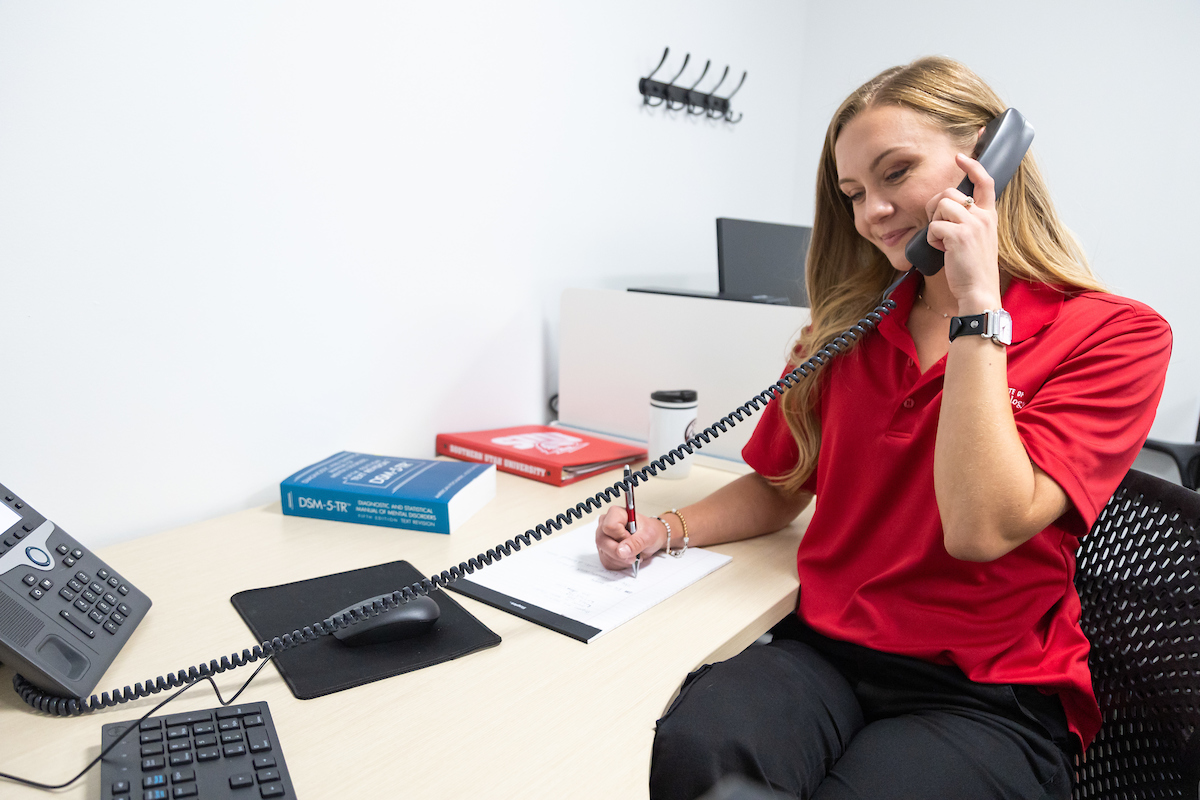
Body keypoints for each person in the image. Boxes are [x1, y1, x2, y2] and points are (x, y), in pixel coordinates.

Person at [595, 56, 1172, 799]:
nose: (871, 213)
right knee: (702, 750)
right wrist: (663, 530)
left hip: (986, 690)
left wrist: (975, 311)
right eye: (853, 194)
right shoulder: (846, 330)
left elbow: (981, 527)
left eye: (896, 173)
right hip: (825, 651)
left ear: (990, 161)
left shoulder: (1116, 334)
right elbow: (780, 486)